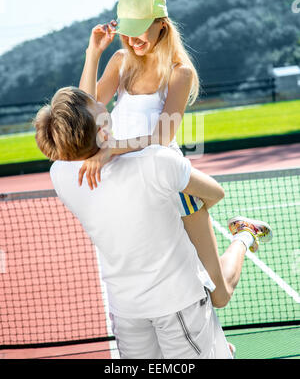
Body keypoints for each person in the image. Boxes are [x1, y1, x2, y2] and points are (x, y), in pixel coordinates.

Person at [34, 86, 272, 359]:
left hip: (125, 311)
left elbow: (71, 149)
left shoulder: (60, 176)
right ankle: (243, 241)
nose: (103, 104)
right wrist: (123, 148)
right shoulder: (156, 162)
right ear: (100, 130)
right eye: (95, 105)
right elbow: (216, 193)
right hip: (178, 303)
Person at [78, 0, 272, 307]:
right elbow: (85, 107)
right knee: (171, 287)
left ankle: (243, 235)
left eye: (141, 29)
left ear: (161, 25)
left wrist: (111, 148)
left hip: (172, 183)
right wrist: (93, 53)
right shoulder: (119, 61)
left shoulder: (179, 73)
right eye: (128, 31)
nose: (134, 38)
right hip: (133, 188)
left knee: (218, 295)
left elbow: (162, 137)